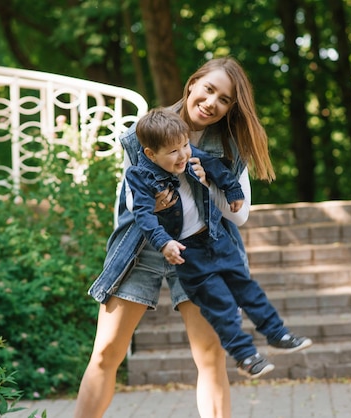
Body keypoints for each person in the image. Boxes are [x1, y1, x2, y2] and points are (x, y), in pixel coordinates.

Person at [75, 56, 279, 418]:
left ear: (231, 107)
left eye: (225, 99)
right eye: (209, 89)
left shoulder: (230, 146)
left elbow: (241, 213)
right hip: (143, 247)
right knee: (106, 353)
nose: (212, 102)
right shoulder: (146, 131)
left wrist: (209, 184)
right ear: (192, 84)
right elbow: (125, 199)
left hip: (204, 250)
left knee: (211, 357)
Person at [126, 108, 312, 379]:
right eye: (173, 152)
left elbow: (217, 167)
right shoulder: (140, 176)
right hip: (190, 254)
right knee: (221, 305)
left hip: (217, 239)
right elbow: (142, 214)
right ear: (150, 154)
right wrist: (163, 242)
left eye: (185, 146)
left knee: (248, 290)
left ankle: (277, 333)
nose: (183, 155)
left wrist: (233, 190)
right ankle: (246, 356)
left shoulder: (189, 154)